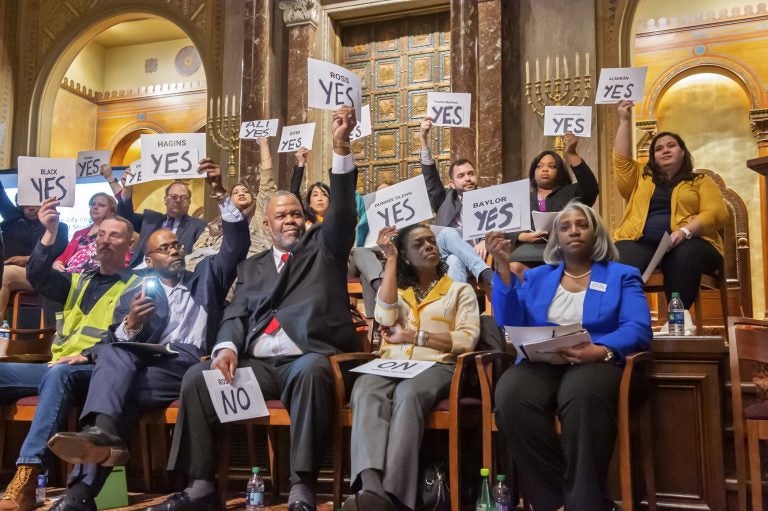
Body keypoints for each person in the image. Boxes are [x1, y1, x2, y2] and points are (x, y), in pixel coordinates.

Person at [148, 106, 360, 511]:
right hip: (260, 369)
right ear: (267, 225)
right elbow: (236, 314)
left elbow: (344, 210)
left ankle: (302, 486)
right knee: (197, 377)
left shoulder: (325, 248)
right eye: (281, 216)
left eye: (296, 213)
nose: (291, 221)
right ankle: (201, 486)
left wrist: (340, 145)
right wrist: (226, 346)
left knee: (312, 370)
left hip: (309, 360)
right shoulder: (252, 266)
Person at [45, 160, 250, 511]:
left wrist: (219, 191)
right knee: (116, 358)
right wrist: (133, 324)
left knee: (117, 386)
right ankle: (88, 477)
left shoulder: (205, 276)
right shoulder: (140, 289)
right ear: (149, 259)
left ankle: (93, 459)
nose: (175, 251)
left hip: (190, 362)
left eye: (176, 246)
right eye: (165, 249)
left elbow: (235, 243)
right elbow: (119, 337)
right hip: (153, 365)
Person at [485, 201, 652, 511]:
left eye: (581, 224)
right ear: (556, 238)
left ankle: (584, 503)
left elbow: (638, 328)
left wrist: (601, 350)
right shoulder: (537, 278)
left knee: (580, 390)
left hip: (597, 361)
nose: (573, 230)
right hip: (545, 361)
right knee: (510, 395)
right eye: (564, 226)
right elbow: (509, 320)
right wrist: (503, 268)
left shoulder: (621, 275)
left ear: (596, 232)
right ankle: (553, 501)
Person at [0, 199, 136, 511]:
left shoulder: (137, 285)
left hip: (95, 373)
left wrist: (86, 355)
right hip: (53, 368)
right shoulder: (77, 279)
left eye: (114, 235)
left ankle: (27, 478)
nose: (104, 240)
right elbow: (36, 274)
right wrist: (49, 233)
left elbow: (128, 338)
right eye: (100, 235)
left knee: (60, 374)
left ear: (130, 244)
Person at [342, 223, 480, 511]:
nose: (429, 246)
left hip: (436, 365)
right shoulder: (399, 289)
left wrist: (416, 336)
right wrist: (390, 258)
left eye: (431, 241)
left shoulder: (459, 291)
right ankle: (372, 489)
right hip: (392, 362)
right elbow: (383, 314)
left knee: (408, 394)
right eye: (418, 244)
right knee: (365, 388)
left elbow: (466, 340)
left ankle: (395, 496)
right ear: (405, 255)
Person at [612, 99, 728, 329]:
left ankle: (678, 320)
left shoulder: (701, 181)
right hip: (642, 242)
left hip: (691, 242)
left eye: (671, 145)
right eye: (658, 148)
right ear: (653, 156)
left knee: (685, 253)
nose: (665, 150)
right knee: (620, 259)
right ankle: (627, 323)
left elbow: (716, 212)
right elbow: (622, 162)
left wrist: (685, 232)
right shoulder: (640, 178)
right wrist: (625, 120)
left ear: (683, 152)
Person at [419, 117, 493, 293]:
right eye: (461, 176)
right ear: (451, 183)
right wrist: (423, 139)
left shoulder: (489, 198)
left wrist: (484, 240)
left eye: (470, 174)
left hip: (473, 257)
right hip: (442, 256)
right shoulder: (443, 198)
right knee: (447, 233)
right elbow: (429, 175)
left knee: (454, 261)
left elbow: (502, 226)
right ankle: (485, 273)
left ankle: (457, 314)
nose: (467, 178)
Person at [506, 132, 598, 274]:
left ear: (560, 172)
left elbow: (590, 189)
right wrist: (521, 236)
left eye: (552, 166)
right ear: (533, 172)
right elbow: (503, 227)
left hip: (563, 249)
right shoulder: (521, 197)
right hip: (527, 251)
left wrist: (572, 153)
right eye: (539, 166)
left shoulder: (570, 192)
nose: (544, 169)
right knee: (513, 268)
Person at [186, 136, 276, 270]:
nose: (241, 193)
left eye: (245, 191)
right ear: (229, 200)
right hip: (216, 273)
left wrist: (263, 144)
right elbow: (197, 251)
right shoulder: (214, 225)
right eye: (236, 192)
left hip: (252, 271)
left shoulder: (259, 216)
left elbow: (267, 182)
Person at [0, 181, 69, 322]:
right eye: (26, 204)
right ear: (20, 206)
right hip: (9, 268)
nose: (31, 208)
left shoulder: (58, 227)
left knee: (4, 275)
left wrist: (25, 259)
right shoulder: (13, 220)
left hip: (39, 275)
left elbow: (56, 254)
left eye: (35, 204)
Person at [117, 173, 206, 268]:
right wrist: (127, 191)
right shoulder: (150, 220)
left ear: (189, 203)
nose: (178, 200)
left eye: (184, 198)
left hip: (174, 274)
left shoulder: (198, 226)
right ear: (165, 200)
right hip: (139, 273)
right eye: (174, 196)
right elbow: (125, 217)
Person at [53, 193, 130, 273]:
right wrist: (58, 262)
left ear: (112, 211)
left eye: (101, 205)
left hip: (99, 278)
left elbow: (124, 259)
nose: (95, 207)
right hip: (71, 277)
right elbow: (65, 255)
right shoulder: (79, 233)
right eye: (93, 204)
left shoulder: (116, 232)